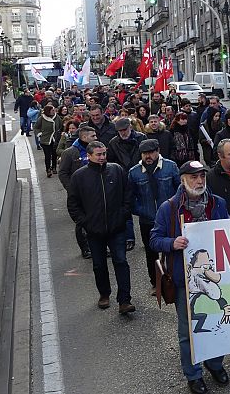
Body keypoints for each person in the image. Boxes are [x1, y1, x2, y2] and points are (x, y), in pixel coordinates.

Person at [150, 160, 230, 394]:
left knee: (216, 324)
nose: (199, 181)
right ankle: (193, 374)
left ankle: (215, 364)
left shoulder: (217, 203)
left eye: (202, 176)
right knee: (188, 331)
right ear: (183, 179)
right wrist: (171, 243)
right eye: (194, 177)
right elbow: (154, 239)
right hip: (184, 280)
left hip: (214, 276)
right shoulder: (169, 208)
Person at [66, 141, 135, 315]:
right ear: (89, 156)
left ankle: (125, 300)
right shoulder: (79, 176)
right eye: (98, 154)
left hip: (116, 228)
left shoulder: (117, 170)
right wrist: (85, 222)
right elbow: (73, 203)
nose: (102, 157)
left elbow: (128, 194)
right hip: (94, 231)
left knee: (121, 261)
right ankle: (104, 294)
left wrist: (123, 214)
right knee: (99, 265)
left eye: (104, 153)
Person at [127, 138, 181, 296]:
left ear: (158, 151)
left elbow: (179, 189)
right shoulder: (134, 172)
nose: (148, 156)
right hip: (147, 219)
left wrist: (176, 210)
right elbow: (130, 197)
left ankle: (173, 279)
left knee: (172, 249)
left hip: (170, 218)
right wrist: (141, 211)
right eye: (144, 153)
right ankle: (155, 283)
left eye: (151, 152)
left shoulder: (170, 167)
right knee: (151, 252)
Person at [108, 117, 148, 251]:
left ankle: (148, 237)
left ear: (130, 127)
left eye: (124, 129)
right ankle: (129, 238)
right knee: (126, 208)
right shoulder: (113, 142)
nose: (123, 133)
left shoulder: (141, 138)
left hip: (141, 175)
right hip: (123, 178)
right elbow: (111, 161)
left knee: (145, 207)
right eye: (120, 131)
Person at [59, 126, 97, 259]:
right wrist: (72, 190)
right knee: (82, 222)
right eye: (93, 136)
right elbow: (63, 173)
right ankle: (85, 248)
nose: (96, 138)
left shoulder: (96, 150)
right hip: (79, 194)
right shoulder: (70, 153)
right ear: (84, 137)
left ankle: (99, 247)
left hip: (95, 192)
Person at [35, 104, 62, 178]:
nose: (54, 111)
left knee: (54, 154)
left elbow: (61, 126)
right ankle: (48, 170)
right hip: (45, 139)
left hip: (55, 139)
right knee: (47, 155)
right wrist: (40, 134)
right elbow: (36, 127)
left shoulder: (57, 117)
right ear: (48, 111)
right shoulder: (42, 118)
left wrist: (59, 134)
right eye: (52, 110)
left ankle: (54, 167)